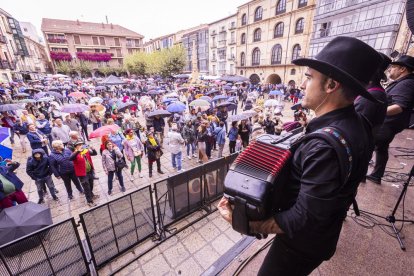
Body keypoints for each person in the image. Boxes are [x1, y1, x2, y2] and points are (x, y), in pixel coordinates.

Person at [218, 36, 383, 275]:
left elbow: (303, 219)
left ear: (330, 85)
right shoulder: (361, 124)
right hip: (326, 234)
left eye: (308, 77)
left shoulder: (323, 147)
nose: (303, 85)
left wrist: (244, 222)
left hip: (300, 246)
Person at [366, 55, 414, 184]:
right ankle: (376, 175)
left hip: (388, 123)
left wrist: (375, 113)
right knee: (381, 147)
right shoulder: (404, 82)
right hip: (390, 123)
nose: (390, 70)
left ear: (403, 69)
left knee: (368, 145)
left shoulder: (407, 83)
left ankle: (360, 173)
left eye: (393, 67)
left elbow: (399, 107)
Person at [70, 140, 98, 207]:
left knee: (91, 185)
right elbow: (70, 158)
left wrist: (93, 148)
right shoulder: (75, 154)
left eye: (81, 144)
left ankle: (91, 195)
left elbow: (95, 153)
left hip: (90, 172)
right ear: (75, 147)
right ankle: (89, 201)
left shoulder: (86, 151)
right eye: (79, 145)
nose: (81, 146)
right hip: (82, 174)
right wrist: (77, 151)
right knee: (86, 187)